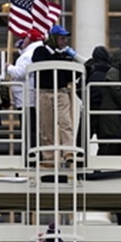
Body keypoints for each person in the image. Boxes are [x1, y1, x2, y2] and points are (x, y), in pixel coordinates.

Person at [30, 25, 80, 167]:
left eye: (64, 38)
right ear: (53, 38)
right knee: (46, 126)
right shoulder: (40, 51)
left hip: (61, 91)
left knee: (66, 122)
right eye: (61, 38)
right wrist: (60, 59)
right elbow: (40, 63)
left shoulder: (65, 55)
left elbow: (71, 75)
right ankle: (49, 157)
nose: (64, 41)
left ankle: (68, 152)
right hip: (44, 92)